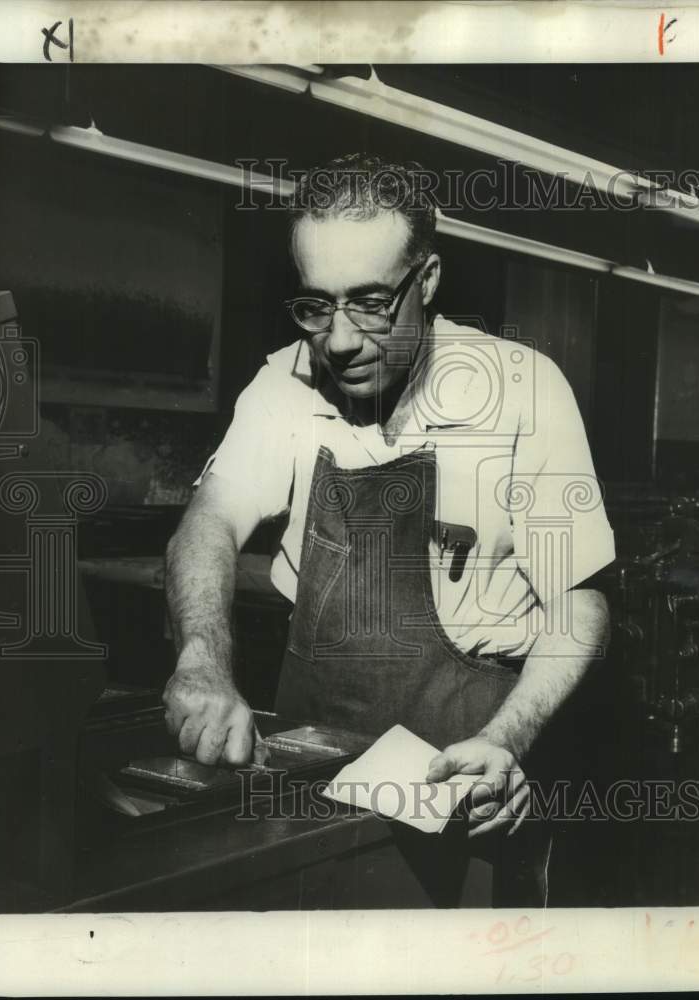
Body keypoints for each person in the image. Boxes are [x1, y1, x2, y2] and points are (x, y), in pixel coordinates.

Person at [163, 153, 615, 860]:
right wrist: (202, 659)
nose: (341, 341)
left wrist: (507, 738)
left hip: (463, 768)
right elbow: (208, 523)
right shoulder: (284, 385)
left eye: (371, 303)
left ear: (426, 280)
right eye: (317, 306)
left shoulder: (522, 391)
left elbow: (577, 602)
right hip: (306, 767)